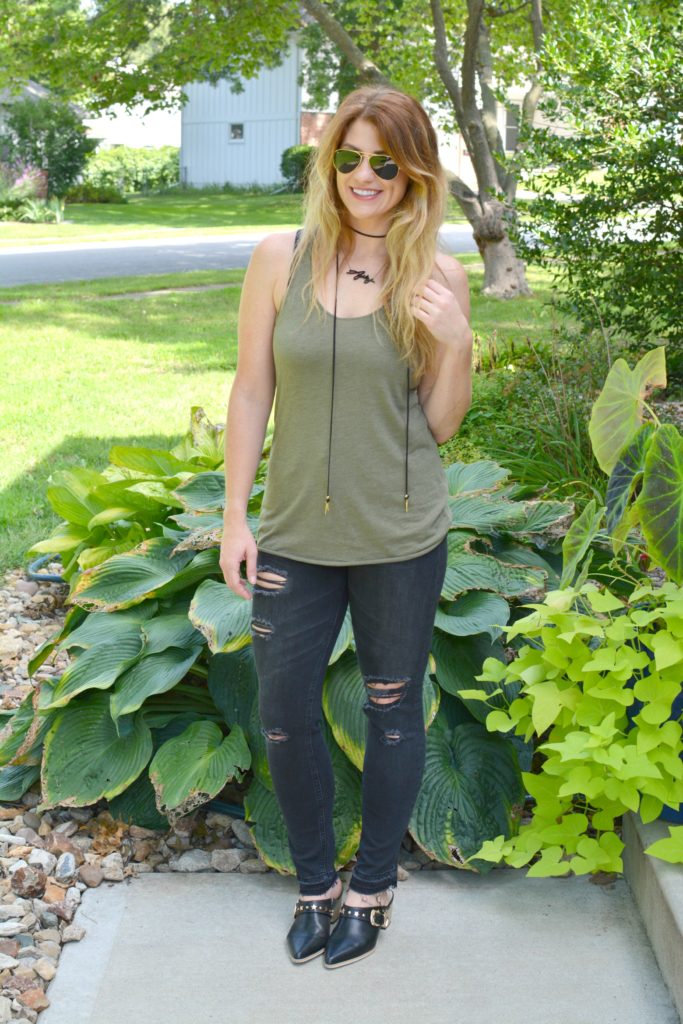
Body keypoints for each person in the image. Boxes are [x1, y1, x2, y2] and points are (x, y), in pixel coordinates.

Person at [220, 84, 473, 969]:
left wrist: (457, 344)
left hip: (401, 536)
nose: (364, 176)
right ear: (329, 164)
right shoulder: (277, 258)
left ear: (413, 175)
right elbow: (252, 390)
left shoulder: (438, 274)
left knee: (393, 710)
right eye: (348, 158)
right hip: (291, 533)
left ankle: (372, 891)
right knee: (284, 711)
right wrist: (233, 518)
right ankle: (316, 885)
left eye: (385, 163)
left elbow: (440, 424)